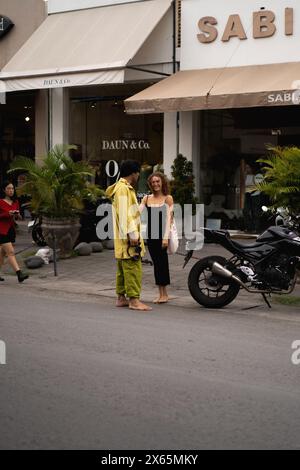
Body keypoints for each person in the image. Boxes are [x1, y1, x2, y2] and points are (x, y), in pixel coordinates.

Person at [105, 160, 152, 311]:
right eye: (138, 172)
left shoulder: (121, 188)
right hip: (128, 238)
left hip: (121, 238)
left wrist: (142, 205)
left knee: (123, 268)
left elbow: (129, 212)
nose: (139, 175)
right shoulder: (123, 189)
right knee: (133, 267)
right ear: (134, 173)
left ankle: (121, 298)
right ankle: (134, 300)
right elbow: (125, 214)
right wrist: (133, 234)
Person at [140, 172, 173, 303]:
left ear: (162, 182)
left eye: (158, 181)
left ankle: (165, 294)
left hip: (162, 235)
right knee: (156, 264)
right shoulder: (146, 198)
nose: (155, 184)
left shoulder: (167, 198)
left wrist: (165, 238)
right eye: (153, 182)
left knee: (162, 263)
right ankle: (160, 293)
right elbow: (137, 212)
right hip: (151, 235)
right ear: (150, 184)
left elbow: (169, 219)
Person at [0, 181, 29, 283]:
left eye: (12, 188)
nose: (11, 190)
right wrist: (7, 214)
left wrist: (17, 215)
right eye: (8, 188)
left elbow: (18, 217)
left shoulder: (15, 202)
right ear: (4, 190)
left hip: (10, 230)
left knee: (2, 253)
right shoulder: (0, 202)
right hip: (1, 230)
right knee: (11, 252)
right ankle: (19, 274)